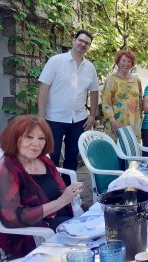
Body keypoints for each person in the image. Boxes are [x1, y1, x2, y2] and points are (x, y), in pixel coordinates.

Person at [0, 115, 84, 258]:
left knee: (105, 217)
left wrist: (72, 196)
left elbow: (62, 191)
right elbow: (12, 218)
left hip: (58, 220)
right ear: (14, 138)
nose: (36, 144)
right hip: (29, 235)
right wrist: (61, 201)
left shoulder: (44, 160)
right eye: (29, 137)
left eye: (41, 138)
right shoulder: (5, 169)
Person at [38, 29, 99, 175]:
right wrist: (40, 117)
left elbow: (94, 92)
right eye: (81, 40)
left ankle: (68, 191)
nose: (83, 44)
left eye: (87, 43)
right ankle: (52, 191)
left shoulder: (90, 67)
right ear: (74, 40)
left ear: (89, 47)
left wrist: (92, 116)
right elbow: (43, 89)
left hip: (78, 119)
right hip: (54, 118)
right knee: (51, 157)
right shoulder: (56, 61)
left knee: (72, 158)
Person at [101, 50, 142, 140]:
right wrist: (113, 122)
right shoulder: (111, 80)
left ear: (132, 64)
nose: (126, 64)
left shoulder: (136, 80)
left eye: (129, 61)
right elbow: (106, 104)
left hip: (133, 123)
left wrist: (140, 121)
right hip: (115, 123)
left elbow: (140, 101)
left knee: (132, 150)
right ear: (118, 62)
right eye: (123, 60)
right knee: (115, 151)